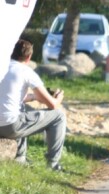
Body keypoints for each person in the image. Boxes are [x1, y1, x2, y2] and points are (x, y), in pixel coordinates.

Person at [0, 39, 66, 171]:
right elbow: (53, 105)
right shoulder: (26, 71)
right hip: (9, 126)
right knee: (58, 116)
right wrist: (59, 98)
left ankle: (20, 158)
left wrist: (34, 97)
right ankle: (52, 164)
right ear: (29, 57)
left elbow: (8, 97)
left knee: (21, 110)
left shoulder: (2, 66)